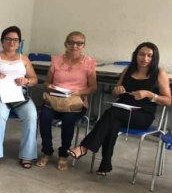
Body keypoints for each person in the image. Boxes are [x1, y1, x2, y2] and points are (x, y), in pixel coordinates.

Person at [68, 42, 171, 175]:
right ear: (136, 55)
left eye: (149, 56)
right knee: (113, 122)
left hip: (143, 116)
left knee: (112, 114)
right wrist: (117, 90)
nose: (145, 58)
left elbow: (168, 101)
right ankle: (105, 166)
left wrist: (149, 94)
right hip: (120, 111)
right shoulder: (127, 70)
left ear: (154, 57)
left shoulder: (159, 73)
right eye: (142, 54)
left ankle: (84, 147)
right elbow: (115, 93)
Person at [0, 26, 38, 168]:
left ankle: (27, 155)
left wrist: (26, 81)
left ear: (19, 43)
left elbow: (34, 79)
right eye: (8, 39)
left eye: (15, 40)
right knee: (0, 114)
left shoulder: (24, 59)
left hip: (19, 95)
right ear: (2, 41)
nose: (12, 42)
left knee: (31, 115)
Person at [36, 31, 97, 170]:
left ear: (84, 46)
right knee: (44, 116)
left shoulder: (88, 63)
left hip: (75, 103)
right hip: (55, 100)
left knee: (68, 119)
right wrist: (49, 87)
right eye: (71, 42)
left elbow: (93, 87)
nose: (74, 46)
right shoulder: (56, 60)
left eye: (79, 43)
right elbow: (46, 83)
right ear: (65, 44)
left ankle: (63, 154)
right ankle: (47, 151)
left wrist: (79, 92)